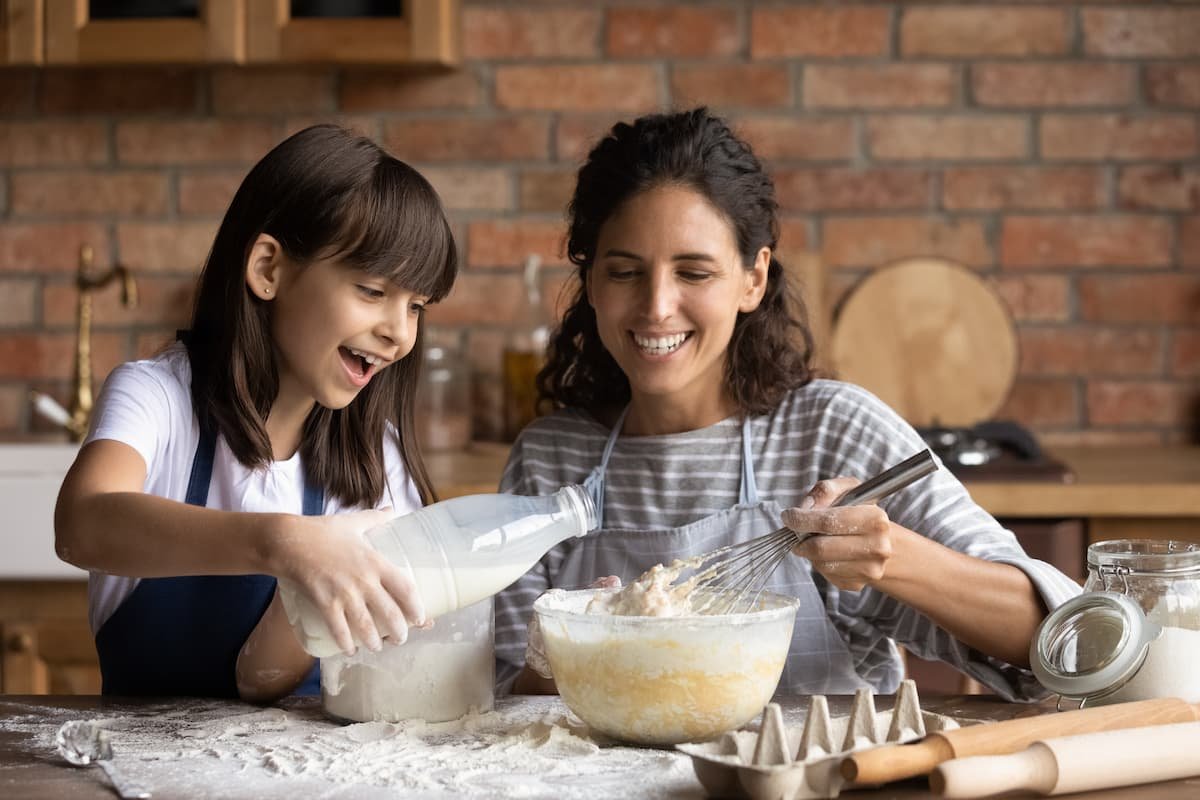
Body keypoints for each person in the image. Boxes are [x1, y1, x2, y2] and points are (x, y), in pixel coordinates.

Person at [495, 108, 1080, 700]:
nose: (656, 307)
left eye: (694, 273)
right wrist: (564, 653)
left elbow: (1066, 642)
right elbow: (493, 704)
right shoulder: (549, 459)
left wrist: (895, 557)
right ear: (591, 280)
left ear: (753, 278)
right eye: (624, 272)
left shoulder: (830, 434)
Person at [54, 124, 457, 702]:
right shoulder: (158, 399)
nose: (399, 333)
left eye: (416, 306)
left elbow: (261, 680)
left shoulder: (374, 457)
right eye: (372, 290)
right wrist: (284, 544)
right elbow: (82, 524)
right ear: (269, 269)